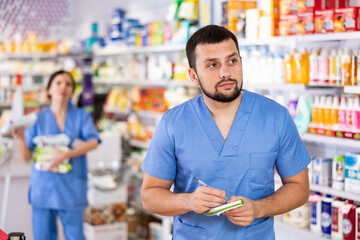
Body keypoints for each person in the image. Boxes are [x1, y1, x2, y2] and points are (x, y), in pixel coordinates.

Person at [140, 25, 310, 239]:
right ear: (193, 76)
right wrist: (189, 201)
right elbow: (150, 196)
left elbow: (300, 188)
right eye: (212, 65)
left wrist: (259, 208)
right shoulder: (173, 123)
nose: (226, 72)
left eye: (232, 61)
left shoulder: (276, 117)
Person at [12, 70, 101, 240]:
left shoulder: (80, 116)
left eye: (68, 84)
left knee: (75, 236)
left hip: (71, 188)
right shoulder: (36, 119)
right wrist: (21, 139)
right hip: (43, 188)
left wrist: (68, 154)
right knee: (43, 236)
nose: (63, 87)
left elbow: (94, 141)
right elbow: (26, 157)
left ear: (72, 91)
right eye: (58, 83)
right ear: (49, 90)